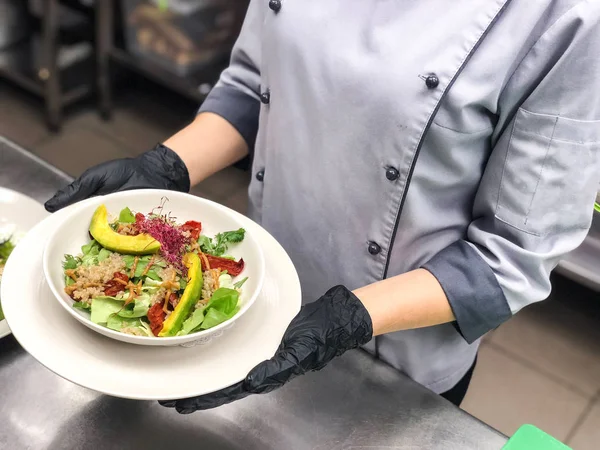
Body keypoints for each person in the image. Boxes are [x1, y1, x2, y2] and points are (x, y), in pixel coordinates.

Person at [46, 0, 600, 413]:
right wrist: (167, 165)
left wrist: (350, 317)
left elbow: (511, 256)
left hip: (392, 355)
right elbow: (256, 84)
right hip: (251, 302)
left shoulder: (567, 17)